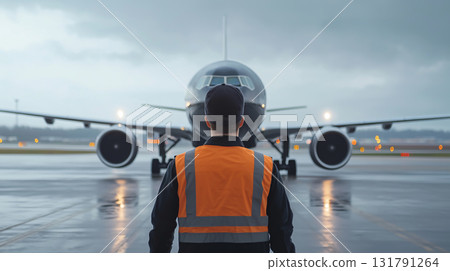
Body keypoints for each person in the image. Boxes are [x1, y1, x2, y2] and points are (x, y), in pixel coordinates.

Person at [149, 84, 295, 253]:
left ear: (207, 121)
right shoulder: (266, 166)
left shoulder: (180, 165)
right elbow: (281, 232)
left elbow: (161, 229)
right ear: (241, 122)